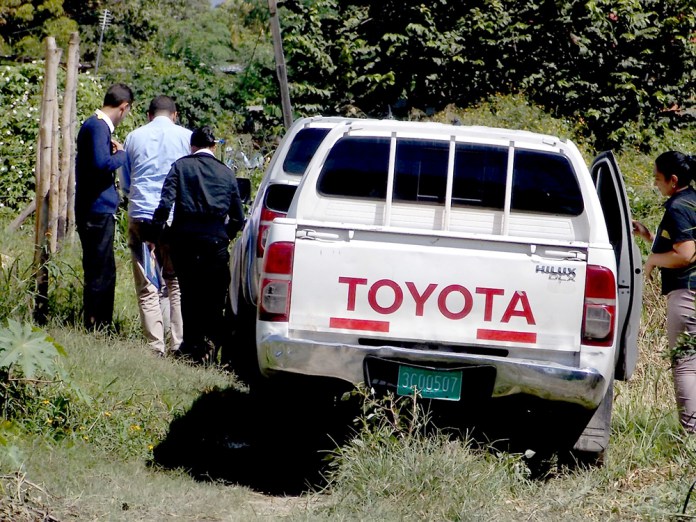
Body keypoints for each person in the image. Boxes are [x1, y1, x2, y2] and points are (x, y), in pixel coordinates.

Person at [151, 126, 245, 364]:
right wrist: (225, 235)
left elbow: (164, 205)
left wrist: (159, 233)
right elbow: (238, 218)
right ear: (213, 147)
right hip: (215, 242)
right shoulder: (227, 174)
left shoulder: (181, 167)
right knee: (213, 297)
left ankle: (190, 346)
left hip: (185, 240)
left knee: (189, 293)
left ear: (192, 146)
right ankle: (209, 349)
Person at [121, 95, 192, 356]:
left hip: (142, 216)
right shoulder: (186, 137)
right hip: (175, 218)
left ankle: (155, 347)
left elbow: (126, 182)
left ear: (149, 115)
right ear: (175, 115)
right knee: (175, 283)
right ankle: (179, 343)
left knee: (147, 283)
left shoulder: (133, 137)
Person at [633, 151, 696, 432]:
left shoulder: (678, 207)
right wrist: (649, 237)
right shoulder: (691, 200)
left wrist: (653, 260)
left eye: (658, 179)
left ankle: (691, 434)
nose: (655, 184)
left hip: (687, 294)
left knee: (685, 364)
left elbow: (685, 253)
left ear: (672, 180)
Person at [75, 83, 133, 331]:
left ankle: (96, 321)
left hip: (93, 208)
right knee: (102, 271)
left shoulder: (93, 125)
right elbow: (101, 165)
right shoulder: (98, 126)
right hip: (97, 210)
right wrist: (122, 155)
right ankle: (98, 325)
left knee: (99, 267)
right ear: (124, 107)